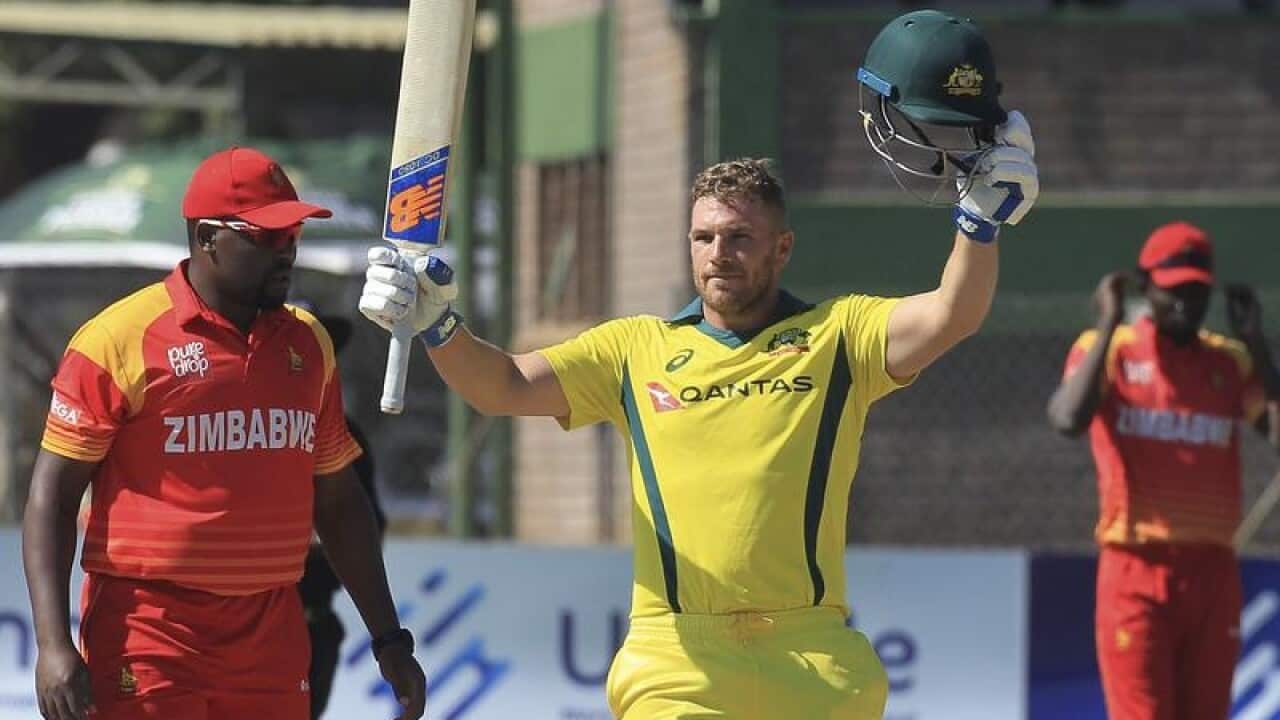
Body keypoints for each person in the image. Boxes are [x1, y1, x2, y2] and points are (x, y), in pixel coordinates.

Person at [359, 10, 1038, 718]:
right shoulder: (633, 349)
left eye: (741, 237)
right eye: (704, 236)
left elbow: (954, 313)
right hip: (675, 661)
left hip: (810, 657)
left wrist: (977, 225)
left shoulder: (839, 335)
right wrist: (438, 323)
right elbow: (499, 388)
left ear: (782, 249)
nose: (719, 253)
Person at [22, 146, 426, 720]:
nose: (286, 250)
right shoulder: (115, 341)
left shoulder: (310, 347)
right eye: (267, 236)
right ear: (209, 237)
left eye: (293, 235)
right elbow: (52, 498)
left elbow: (338, 503)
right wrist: (53, 645)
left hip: (272, 633)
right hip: (150, 630)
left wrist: (389, 640)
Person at [1047, 221, 1280, 720]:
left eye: (1196, 293)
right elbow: (1068, 419)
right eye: (1173, 292)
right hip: (1135, 568)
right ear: (1143, 284)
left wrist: (1258, 342)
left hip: (1212, 573)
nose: (1185, 305)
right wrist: (1109, 321)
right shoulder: (1108, 350)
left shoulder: (1230, 362)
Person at [289, 301, 387, 720]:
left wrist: (389, 638)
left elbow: (361, 524)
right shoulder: (234, 426)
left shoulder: (346, 436)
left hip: (309, 623)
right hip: (229, 629)